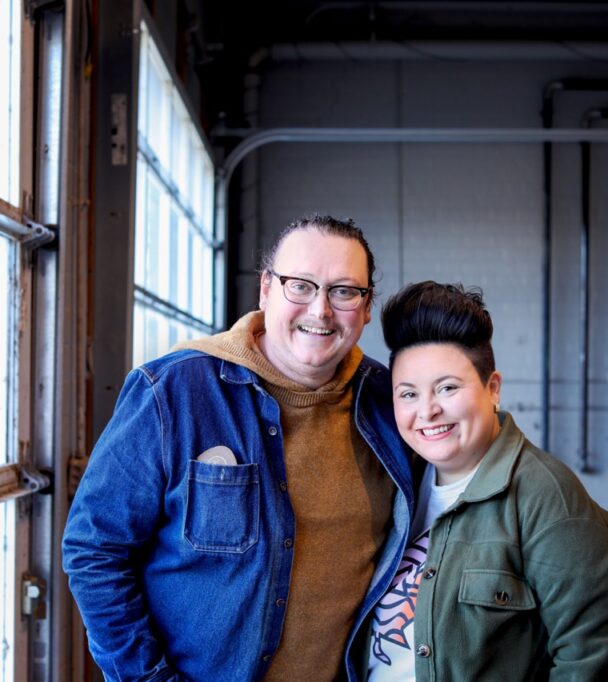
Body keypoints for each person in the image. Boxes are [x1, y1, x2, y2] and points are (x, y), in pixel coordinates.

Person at [63, 215, 415, 682]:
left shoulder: (389, 404)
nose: (321, 310)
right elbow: (95, 549)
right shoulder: (173, 392)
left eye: (344, 291)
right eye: (301, 286)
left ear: (367, 307)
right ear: (266, 289)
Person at [356, 281, 608, 681]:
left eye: (447, 388)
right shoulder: (395, 484)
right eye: (408, 394)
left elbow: (593, 662)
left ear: (493, 389)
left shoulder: (549, 501)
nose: (428, 411)